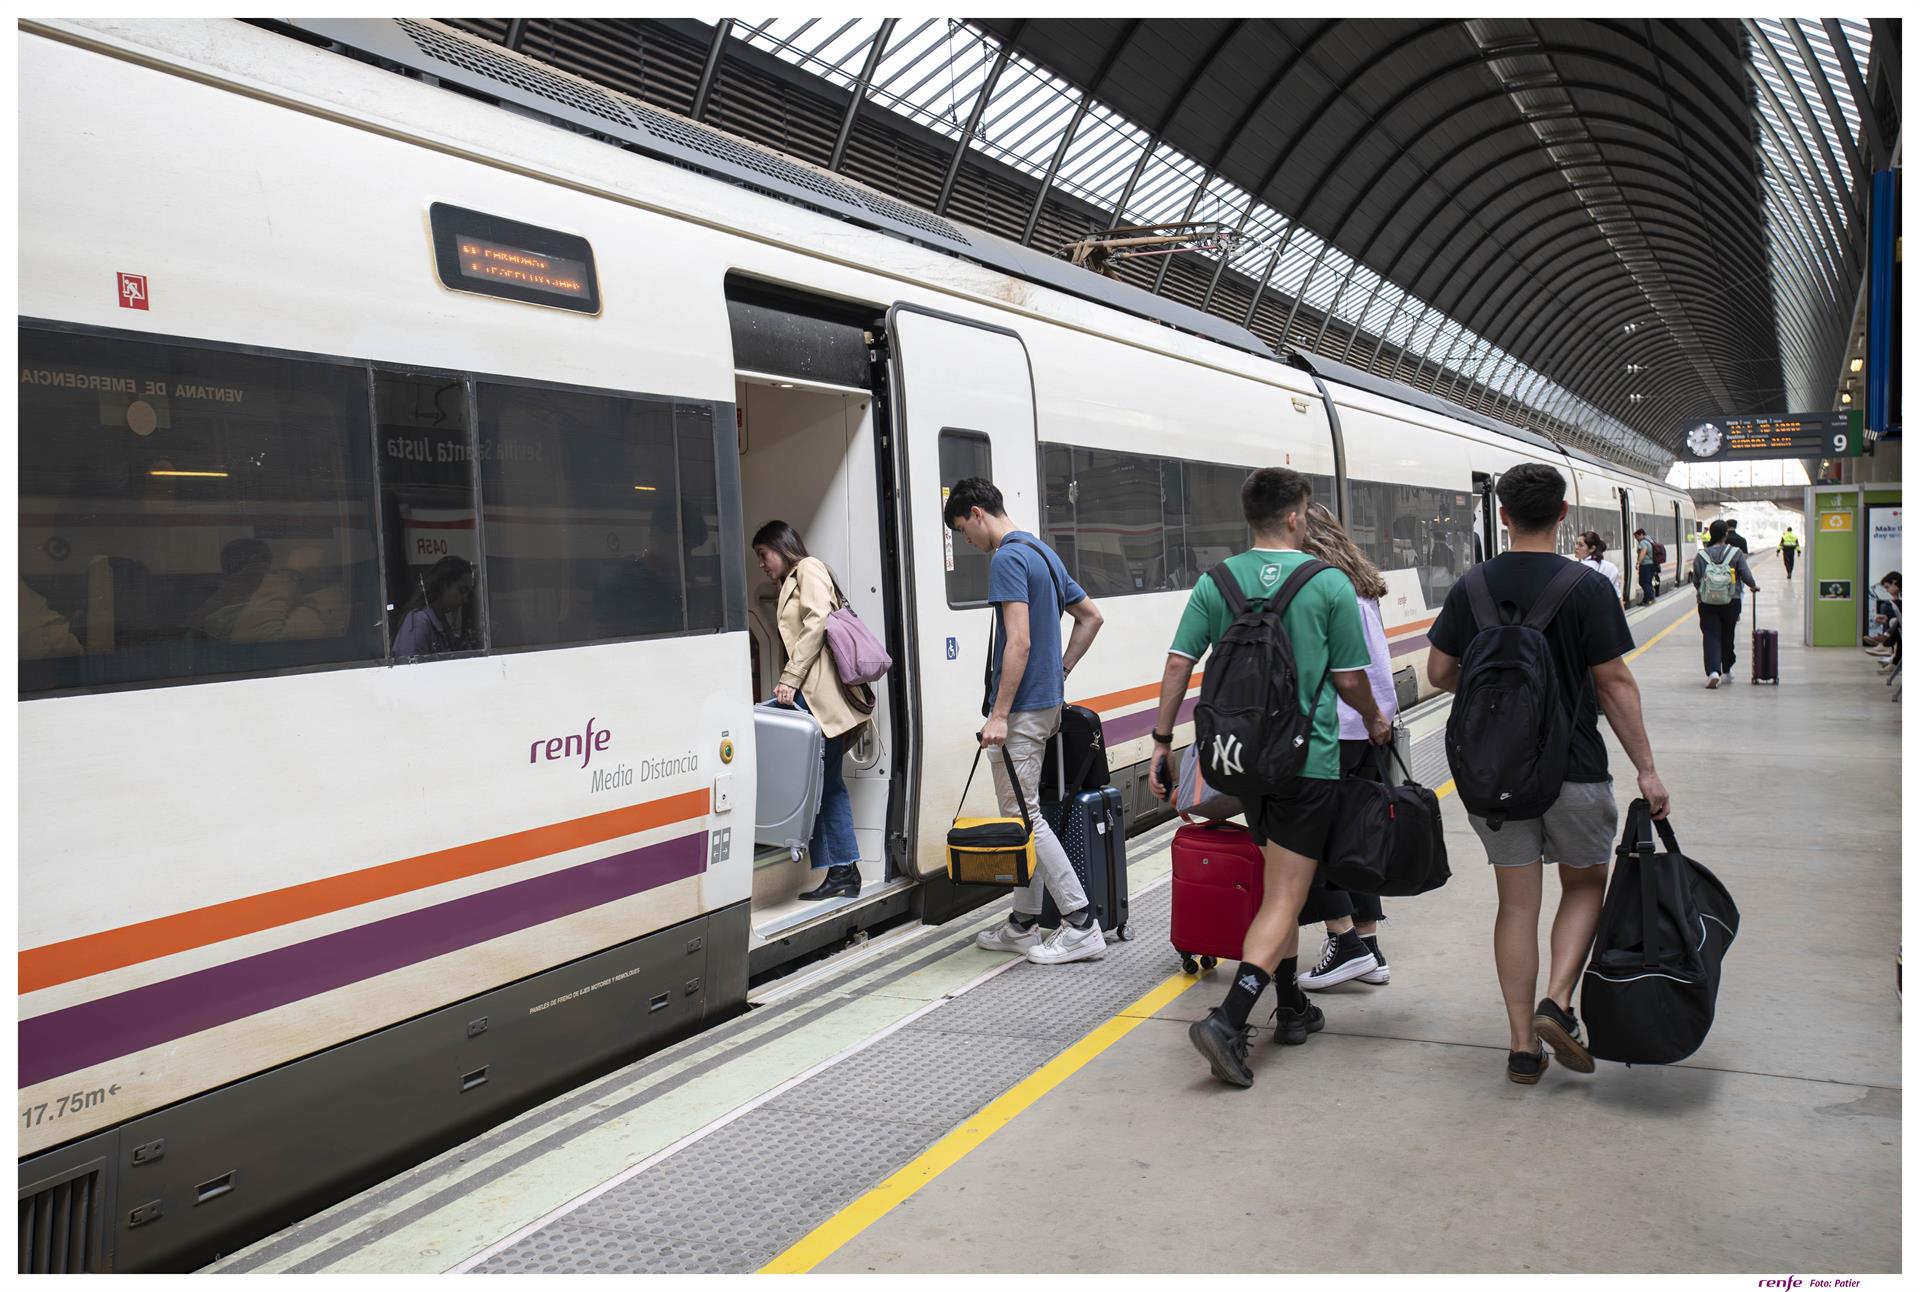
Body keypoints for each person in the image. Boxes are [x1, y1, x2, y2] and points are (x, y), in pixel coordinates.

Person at [1145, 468, 1392, 1088]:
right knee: (1285, 895)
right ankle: (1230, 1019)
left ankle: (1294, 1008)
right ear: (1294, 516)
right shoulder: (1328, 584)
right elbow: (1348, 678)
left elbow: (1179, 663)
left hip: (1244, 761)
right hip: (1309, 762)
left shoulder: (1216, 582)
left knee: (1279, 885)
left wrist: (1162, 741)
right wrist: (1374, 717)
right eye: (1305, 511)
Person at [1426, 463, 1671, 1085]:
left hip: (1492, 775)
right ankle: (1557, 1003)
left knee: (1516, 905)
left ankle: (1519, 1048)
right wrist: (1646, 769)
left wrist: (1494, 700)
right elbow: (1613, 682)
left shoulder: (1470, 587)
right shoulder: (1585, 587)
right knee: (1585, 884)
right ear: (1564, 516)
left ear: (1501, 515)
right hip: (1575, 768)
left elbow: (1438, 673)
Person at [944, 477, 1108, 964]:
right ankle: (1023, 923)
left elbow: (1018, 642)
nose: (968, 543)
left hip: (1020, 711)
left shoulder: (1007, 558)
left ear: (977, 513)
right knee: (1023, 815)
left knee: (1026, 817)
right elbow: (1091, 617)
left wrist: (998, 713)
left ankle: (1080, 924)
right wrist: (1060, 673)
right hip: (1046, 706)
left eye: (963, 532)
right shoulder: (1042, 553)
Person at [1295, 503, 1397, 990]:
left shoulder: (1322, 589)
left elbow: (1344, 670)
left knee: (1307, 840)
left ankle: (1344, 943)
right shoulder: (1361, 582)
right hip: (1369, 729)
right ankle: (1370, 947)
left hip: (1333, 729)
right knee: (1355, 838)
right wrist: (1380, 717)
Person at [752, 521, 869, 902]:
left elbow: (818, 620)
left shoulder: (809, 568)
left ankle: (843, 871)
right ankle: (843, 871)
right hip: (810, 696)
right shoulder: (792, 579)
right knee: (825, 784)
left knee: (825, 784)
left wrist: (790, 675)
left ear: (780, 547)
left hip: (820, 697)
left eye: (763, 555)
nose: (762, 565)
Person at [1693, 519, 1759, 688]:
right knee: (1727, 634)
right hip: (1731, 600)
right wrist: (1753, 586)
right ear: (1726, 535)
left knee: (1711, 634)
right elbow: (1745, 574)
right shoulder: (1735, 553)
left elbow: (1696, 580)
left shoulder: (1701, 555)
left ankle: (1714, 672)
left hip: (1707, 602)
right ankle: (1728, 668)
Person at [392, 554, 475, 657]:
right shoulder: (418, 621)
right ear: (444, 585)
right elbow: (410, 668)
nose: (465, 599)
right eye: (462, 590)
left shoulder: (441, 622)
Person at [1573, 530, 1623, 601]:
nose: (1576, 547)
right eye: (1576, 544)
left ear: (1592, 549)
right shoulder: (1611, 567)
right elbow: (1618, 597)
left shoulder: (1579, 568)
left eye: (1580, 545)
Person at [1632, 528, 1657, 607]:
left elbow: (1643, 552)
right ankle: (1646, 600)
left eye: (1636, 537)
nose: (1636, 539)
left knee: (1643, 582)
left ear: (1641, 535)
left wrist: (1638, 563)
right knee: (1648, 582)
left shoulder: (1643, 542)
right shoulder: (1649, 540)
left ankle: (1651, 597)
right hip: (1651, 564)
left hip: (1646, 565)